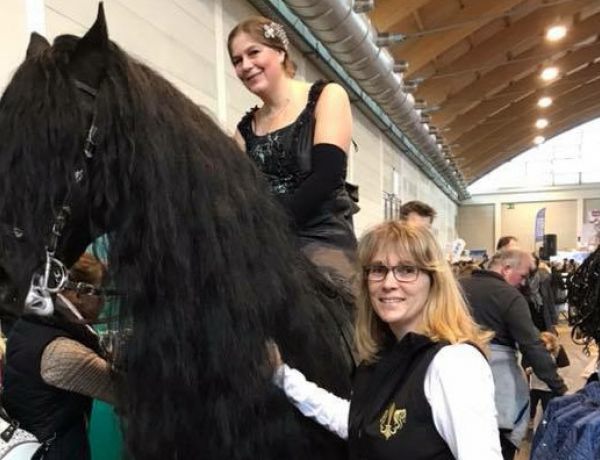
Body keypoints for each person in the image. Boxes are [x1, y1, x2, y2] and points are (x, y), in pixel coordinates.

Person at [271, 221, 502, 459]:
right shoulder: (384, 359)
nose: (388, 284)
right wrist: (283, 376)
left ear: (433, 281)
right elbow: (361, 426)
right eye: (378, 270)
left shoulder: (453, 363)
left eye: (406, 270)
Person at [228, 16, 357, 284]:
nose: (246, 65)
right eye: (237, 60)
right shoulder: (244, 131)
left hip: (323, 238)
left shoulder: (327, 96)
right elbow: (234, 193)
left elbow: (327, 177)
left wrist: (270, 225)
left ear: (280, 52)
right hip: (268, 242)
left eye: (253, 52)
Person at [2, 253, 115, 460]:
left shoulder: (29, 325)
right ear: (79, 294)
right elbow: (124, 393)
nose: (103, 302)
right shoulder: (62, 352)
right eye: (100, 293)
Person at [460, 249, 567, 460]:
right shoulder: (509, 296)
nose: (524, 283)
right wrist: (558, 386)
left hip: (455, 387)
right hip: (498, 392)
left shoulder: (457, 288)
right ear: (506, 268)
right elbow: (532, 345)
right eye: (523, 276)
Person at [526, 332, 568, 425]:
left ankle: (545, 424)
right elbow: (531, 366)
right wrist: (529, 370)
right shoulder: (537, 355)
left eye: (544, 344)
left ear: (551, 344)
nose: (542, 346)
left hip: (547, 388)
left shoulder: (551, 356)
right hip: (534, 386)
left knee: (546, 408)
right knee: (531, 406)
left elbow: (558, 369)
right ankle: (531, 421)